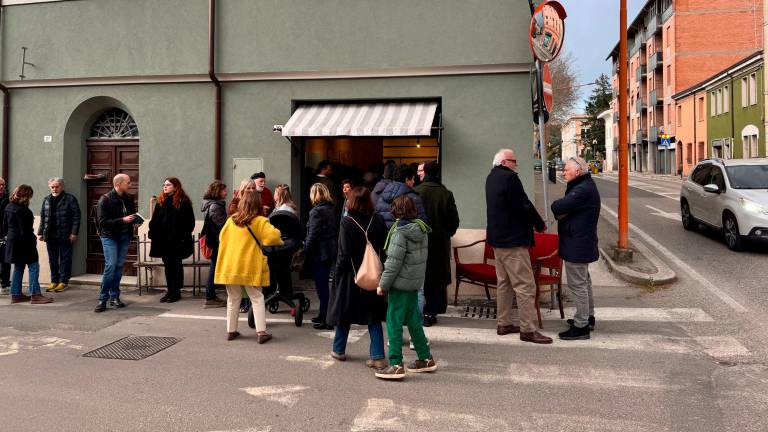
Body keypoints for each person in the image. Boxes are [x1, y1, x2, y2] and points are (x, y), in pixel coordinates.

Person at [485, 149, 552, 344]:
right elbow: (523, 204)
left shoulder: (491, 178)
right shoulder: (510, 178)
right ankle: (528, 330)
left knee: (504, 283)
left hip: (497, 240)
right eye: (513, 161)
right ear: (504, 162)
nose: (516, 165)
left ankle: (503, 323)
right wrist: (539, 224)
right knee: (525, 286)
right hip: (513, 241)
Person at [375, 195, 437, 380]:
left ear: (396, 211)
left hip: (400, 285)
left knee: (393, 322)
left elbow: (393, 263)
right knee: (414, 322)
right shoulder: (421, 229)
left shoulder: (399, 232)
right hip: (414, 283)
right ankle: (425, 358)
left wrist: (382, 285)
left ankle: (395, 364)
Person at [327, 187, 388, 369]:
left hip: (350, 275)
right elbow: (384, 247)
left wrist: (336, 274)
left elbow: (343, 253)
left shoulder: (347, 222)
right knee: (373, 316)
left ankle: (338, 350)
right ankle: (378, 356)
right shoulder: (378, 220)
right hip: (372, 274)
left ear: (351, 201)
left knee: (344, 312)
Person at [214, 188, 283, 344]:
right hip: (249, 266)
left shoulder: (231, 221)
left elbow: (221, 238)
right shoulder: (260, 221)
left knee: (233, 298)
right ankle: (261, 332)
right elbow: (273, 237)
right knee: (257, 298)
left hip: (230, 266)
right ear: (258, 205)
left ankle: (231, 331)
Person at [551, 156, 601, 340]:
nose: (563, 172)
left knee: (578, 285)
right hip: (580, 242)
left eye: (566, 169)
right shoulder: (583, 186)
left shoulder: (582, 190)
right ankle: (588, 318)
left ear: (577, 171)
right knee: (584, 282)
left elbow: (558, 207)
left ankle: (581, 326)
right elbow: (563, 210)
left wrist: (559, 209)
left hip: (577, 244)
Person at [414, 161, 459, 327]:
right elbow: (454, 222)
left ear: (425, 173)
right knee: (436, 279)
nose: (418, 174)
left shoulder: (416, 192)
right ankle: (430, 312)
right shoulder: (445, 193)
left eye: (420, 171)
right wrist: (445, 234)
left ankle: (417, 312)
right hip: (439, 243)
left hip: (418, 241)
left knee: (419, 278)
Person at [95, 174, 141, 312]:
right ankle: (102, 299)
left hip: (124, 236)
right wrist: (122, 220)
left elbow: (132, 215)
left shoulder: (129, 198)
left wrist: (135, 223)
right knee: (111, 266)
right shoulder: (105, 199)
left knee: (119, 266)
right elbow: (102, 222)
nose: (130, 184)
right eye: (128, 182)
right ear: (118, 184)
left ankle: (114, 296)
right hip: (109, 237)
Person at [149, 177, 195, 303]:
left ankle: (176, 292)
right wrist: (153, 232)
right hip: (163, 241)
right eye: (164, 185)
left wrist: (180, 236)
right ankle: (170, 290)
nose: (165, 187)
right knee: (168, 266)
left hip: (177, 241)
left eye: (168, 185)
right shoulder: (161, 201)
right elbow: (155, 220)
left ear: (175, 187)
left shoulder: (183, 202)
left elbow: (189, 222)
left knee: (176, 265)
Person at [3, 185, 51, 304]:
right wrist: (33, 239)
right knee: (34, 266)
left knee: (19, 267)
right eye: (30, 196)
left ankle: (16, 295)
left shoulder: (9, 207)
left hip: (12, 241)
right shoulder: (24, 211)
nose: (30, 198)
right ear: (26, 196)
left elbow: (4, 227)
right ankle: (35, 295)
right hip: (25, 242)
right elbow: (25, 230)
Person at [303, 183, 338, 330]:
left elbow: (313, 234)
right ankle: (323, 314)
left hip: (320, 252)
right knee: (324, 285)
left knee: (321, 286)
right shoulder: (331, 209)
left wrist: (305, 249)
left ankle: (327, 319)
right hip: (330, 250)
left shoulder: (316, 212)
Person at [37, 177, 81, 293]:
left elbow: (76, 216)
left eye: (57, 187)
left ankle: (63, 282)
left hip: (65, 234)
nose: (54, 189)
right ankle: (54, 281)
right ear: (49, 187)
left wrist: (74, 232)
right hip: (50, 235)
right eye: (52, 187)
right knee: (52, 259)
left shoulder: (70, 199)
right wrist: (41, 232)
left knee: (65, 259)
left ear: (62, 187)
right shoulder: (46, 199)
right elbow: (43, 217)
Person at [201, 180, 228, 308]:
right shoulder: (215, 206)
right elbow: (221, 226)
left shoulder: (212, 204)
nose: (226, 192)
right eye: (224, 190)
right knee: (214, 267)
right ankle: (210, 297)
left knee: (214, 267)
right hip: (216, 241)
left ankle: (211, 295)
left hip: (214, 240)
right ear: (217, 191)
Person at [375, 164, 427, 229]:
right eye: (413, 179)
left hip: (385, 234)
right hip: (405, 234)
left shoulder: (382, 196)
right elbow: (422, 224)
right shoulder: (413, 198)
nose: (413, 182)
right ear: (407, 179)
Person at [0, 177, 10, 296]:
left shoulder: (8, 199)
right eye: (0, 185)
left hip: (5, 234)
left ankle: (5, 284)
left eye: (3, 184)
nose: (1, 187)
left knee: (5, 260)